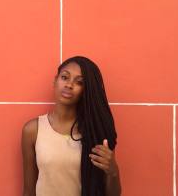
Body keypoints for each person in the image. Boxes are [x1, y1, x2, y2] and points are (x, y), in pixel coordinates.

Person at [21, 56, 121, 196]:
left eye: (79, 82)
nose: (69, 84)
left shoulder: (96, 133)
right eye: (64, 77)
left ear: (86, 90)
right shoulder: (33, 130)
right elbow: (28, 190)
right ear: (55, 81)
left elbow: (113, 195)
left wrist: (113, 171)